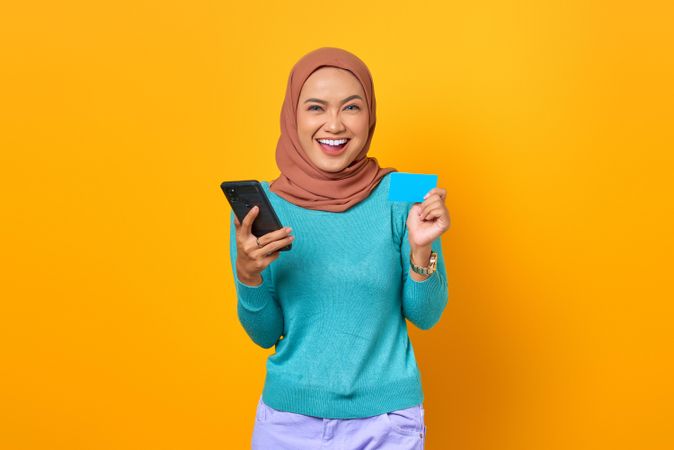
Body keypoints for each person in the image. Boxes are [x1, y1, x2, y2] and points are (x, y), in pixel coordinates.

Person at [228, 47, 451, 449]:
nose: (335, 124)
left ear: (370, 116)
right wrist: (248, 276)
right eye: (315, 107)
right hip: (288, 424)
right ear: (292, 115)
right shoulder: (263, 206)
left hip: (387, 423)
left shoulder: (406, 191)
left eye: (351, 107)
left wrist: (422, 250)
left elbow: (426, 315)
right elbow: (265, 335)